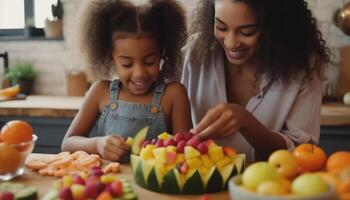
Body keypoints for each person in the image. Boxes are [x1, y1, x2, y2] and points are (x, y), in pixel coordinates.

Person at [181, 0, 330, 161]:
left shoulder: (304, 65)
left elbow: (303, 153)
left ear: (276, 27)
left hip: (268, 184)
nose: (231, 43)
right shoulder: (193, 53)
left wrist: (246, 122)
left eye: (247, 32)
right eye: (221, 27)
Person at [61, 0, 192, 161]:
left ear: (162, 54)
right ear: (111, 57)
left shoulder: (173, 95)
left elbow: (187, 152)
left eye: (150, 61)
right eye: (127, 64)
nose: (139, 73)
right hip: (110, 183)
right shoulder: (100, 92)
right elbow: (67, 143)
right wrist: (97, 144)